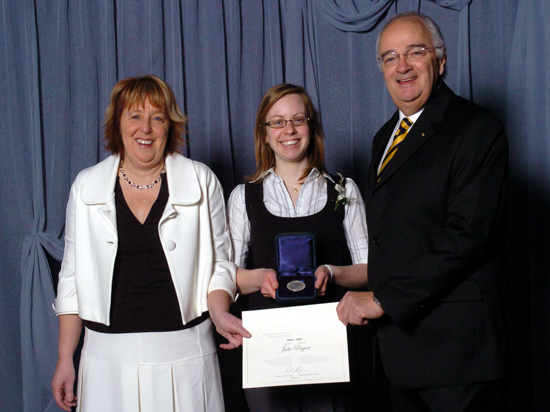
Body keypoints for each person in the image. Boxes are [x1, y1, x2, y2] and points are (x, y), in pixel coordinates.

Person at [336, 12, 508, 412]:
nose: (402, 67)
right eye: (390, 57)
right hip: (398, 352)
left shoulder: (477, 128)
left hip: (457, 355)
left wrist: (382, 299)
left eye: (415, 52)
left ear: (440, 60)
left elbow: (466, 235)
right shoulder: (384, 137)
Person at [51, 75, 241, 412]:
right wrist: (66, 357)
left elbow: (220, 266)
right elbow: (71, 278)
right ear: (117, 123)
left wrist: (220, 312)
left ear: (170, 126)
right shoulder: (86, 185)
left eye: (158, 117)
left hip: (188, 355)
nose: (146, 129)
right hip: (105, 362)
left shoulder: (201, 180)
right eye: (135, 116)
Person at [213, 83, 373, 412]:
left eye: (298, 119)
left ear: (312, 127)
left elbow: (370, 270)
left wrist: (332, 272)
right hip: (267, 347)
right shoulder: (244, 196)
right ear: (265, 133)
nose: (289, 130)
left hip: (330, 344)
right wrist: (260, 278)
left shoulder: (344, 189)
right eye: (278, 122)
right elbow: (227, 274)